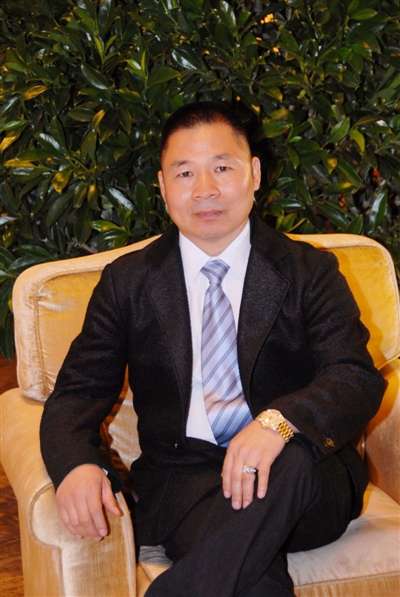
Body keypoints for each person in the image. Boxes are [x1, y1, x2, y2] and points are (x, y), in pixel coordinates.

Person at [40, 101, 385, 596]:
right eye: (185, 173)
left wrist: (277, 424)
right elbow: (78, 392)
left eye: (222, 168)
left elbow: (354, 375)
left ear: (254, 174)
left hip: (306, 485)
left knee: (288, 456)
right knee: (252, 580)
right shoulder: (129, 283)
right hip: (188, 485)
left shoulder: (309, 272)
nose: (205, 189)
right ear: (163, 187)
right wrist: (76, 464)